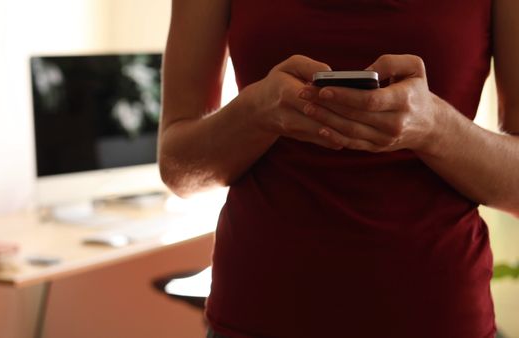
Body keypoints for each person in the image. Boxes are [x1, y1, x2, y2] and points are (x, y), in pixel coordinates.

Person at [158, 0, 518, 337]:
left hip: (438, 316)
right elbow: (178, 166)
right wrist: (257, 112)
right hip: (257, 314)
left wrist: (435, 127)